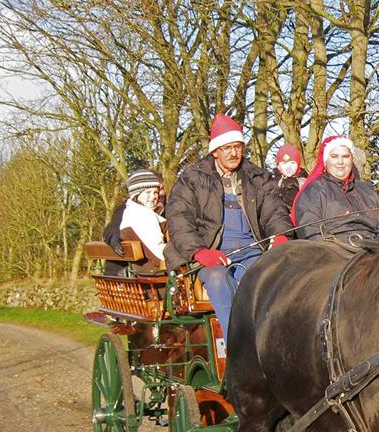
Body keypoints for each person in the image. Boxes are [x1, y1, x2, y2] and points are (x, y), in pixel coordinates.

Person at [165, 114, 292, 331]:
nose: (234, 153)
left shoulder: (258, 177)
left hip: (253, 250)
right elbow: (178, 219)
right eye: (227, 148)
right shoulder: (192, 178)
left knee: (273, 281)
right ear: (215, 151)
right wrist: (200, 252)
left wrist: (281, 235)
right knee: (218, 281)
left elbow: (275, 211)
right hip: (211, 252)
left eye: (238, 147)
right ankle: (238, 349)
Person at [293, 135, 379, 242]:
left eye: (345, 156)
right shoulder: (313, 191)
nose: (340, 162)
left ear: (351, 159)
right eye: (334, 156)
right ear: (326, 161)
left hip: (372, 250)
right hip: (334, 251)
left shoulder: (367, 190)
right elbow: (310, 231)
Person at [101, 168, 167, 274]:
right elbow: (113, 226)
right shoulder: (130, 209)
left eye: (157, 191)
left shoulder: (165, 207)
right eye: (149, 191)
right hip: (133, 272)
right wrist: (114, 238)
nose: (157, 194)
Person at [271, 142, 307, 214]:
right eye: (284, 163)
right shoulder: (274, 182)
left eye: (292, 163)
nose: (289, 167)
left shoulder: (303, 182)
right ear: (279, 166)